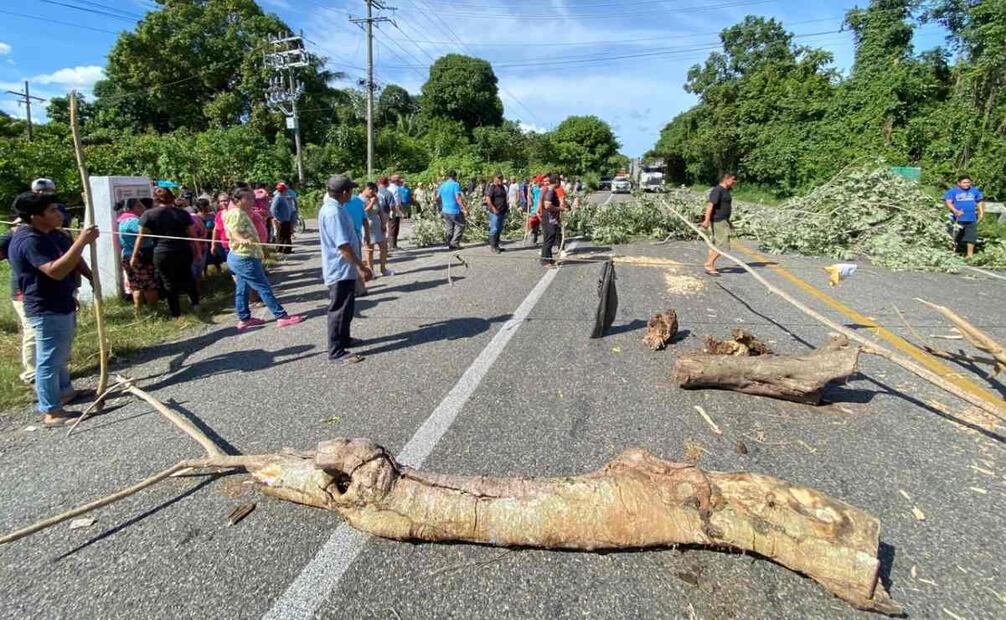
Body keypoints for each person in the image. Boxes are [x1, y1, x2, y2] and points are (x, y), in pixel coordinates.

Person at [8, 192, 99, 426]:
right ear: (35, 216)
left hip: (62, 300)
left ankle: (65, 392)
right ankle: (51, 411)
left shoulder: (54, 234)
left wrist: (90, 277)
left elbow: (73, 259)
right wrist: (82, 241)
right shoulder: (29, 240)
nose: (59, 214)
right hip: (44, 306)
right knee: (48, 359)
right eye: (51, 211)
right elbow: (55, 270)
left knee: (60, 352)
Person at [223, 186, 304, 330]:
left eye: (251, 197)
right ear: (238, 200)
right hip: (244, 258)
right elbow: (232, 232)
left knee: (243, 289)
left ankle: (244, 319)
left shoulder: (240, 212)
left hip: (241, 256)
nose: (251, 200)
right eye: (248, 198)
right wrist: (241, 239)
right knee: (263, 287)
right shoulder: (236, 213)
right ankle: (281, 316)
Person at [319, 175, 373, 364]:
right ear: (344, 193)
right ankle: (335, 351)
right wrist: (362, 267)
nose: (352, 192)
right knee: (339, 309)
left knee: (347, 307)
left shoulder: (336, 208)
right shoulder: (333, 212)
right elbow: (343, 246)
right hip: (340, 269)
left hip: (345, 269)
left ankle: (344, 338)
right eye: (350, 189)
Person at [132, 187, 199, 317]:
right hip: (183, 250)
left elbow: (140, 236)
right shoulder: (182, 214)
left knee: (168, 283)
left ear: (155, 199)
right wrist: (198, 252)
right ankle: (195, 304)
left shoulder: (148, 215)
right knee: (188, 277)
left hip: (162, 252)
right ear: (172, 197)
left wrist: (134, 256)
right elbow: (193, 235)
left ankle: (176, 313)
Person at [1, 218, 35, 384]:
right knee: (32, 330)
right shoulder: (10, 236)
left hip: (40, 291)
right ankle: (31, 371)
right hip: (22, 292)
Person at [117, 197, 158, 310]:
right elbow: (146, 232)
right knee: (149, 285)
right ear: (136, 207)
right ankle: (153, 311)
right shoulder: (133, 221)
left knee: (136, 285)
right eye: (140, 205)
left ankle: (138, 310)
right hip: (140, 256)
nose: (144, 208)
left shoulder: (122, 220)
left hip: (127, 255)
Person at [701, 173, 736, 276]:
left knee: (715, 244)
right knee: (723, 245)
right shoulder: (718, 190)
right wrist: (706, 220)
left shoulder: (725, 190)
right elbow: (710, 206)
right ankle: (708, 264)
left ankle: (711, 265)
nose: (735, 182)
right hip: (718, 221)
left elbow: (724, 207)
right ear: (726, 179)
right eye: (733, 180)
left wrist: (729, 222)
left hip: (723, 220)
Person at [945, 175, 986, 259]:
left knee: (971, 236)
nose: (967, 184)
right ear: (958, 183)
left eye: (968, 182)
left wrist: (981, 213)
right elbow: (948, 202)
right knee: (953, 236)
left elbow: (979, 201)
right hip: (956, 218)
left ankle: (969, 255)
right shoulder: (952, 192)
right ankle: (950, 253)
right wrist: (955, 211)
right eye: (964, 182)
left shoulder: (974, 191)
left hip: (971, 218)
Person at [359, 181, 394, 278]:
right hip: (367, 225)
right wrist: (371, 202)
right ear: (366, 189)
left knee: (384, 247)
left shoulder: (375, 198)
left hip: (377, 224)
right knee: (369, 250)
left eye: (374, 191)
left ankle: (383, 269)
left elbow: (380, 212)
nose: (372, 193)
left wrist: (383, 223)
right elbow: (363, 212)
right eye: (371, 191)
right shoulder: (360, 199)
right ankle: (371, 271)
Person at [540, 175, 566, 267]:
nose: (560, 183)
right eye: (559, 181)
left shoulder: (550, 190)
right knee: (549, 239)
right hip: (548, 219)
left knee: (550, 239)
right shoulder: (550, 191)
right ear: (556, 181)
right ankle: (545, 261)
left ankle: (549, 259)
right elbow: (547, 205)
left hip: (551, 219)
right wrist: (559, 209)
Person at [437, 171, 468, 250]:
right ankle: (454, 243)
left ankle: (449, 243)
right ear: (455, 176)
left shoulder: (442, 185)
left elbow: (437, 197)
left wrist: (441, 206)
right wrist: (465, 208)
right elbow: (458, 198)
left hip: (445, 210)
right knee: (461, 225)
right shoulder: (455, 184)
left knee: (449, 227)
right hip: (454, 210)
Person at [484, 172, 509, 253]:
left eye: (501, 178)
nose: (501, 180)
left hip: (502, 211)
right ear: (495, 179)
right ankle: (493, 247)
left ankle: (497, 246)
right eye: (499, 178)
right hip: (495, 212)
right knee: (494, 229)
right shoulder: (492, 187)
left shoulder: (502, 187)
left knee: (499, 229)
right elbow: (488, 199)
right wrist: (494, 208)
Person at [271, 182, 295, 254]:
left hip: (287, 219)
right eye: (285, 189)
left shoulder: (283, 197)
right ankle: (279, 250)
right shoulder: (277, 198)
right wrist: (276, 218)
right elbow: (272, 209)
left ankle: (287, 250)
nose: (287, 190)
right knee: (280, 235)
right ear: (283, 190)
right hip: (281, 220)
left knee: (287, 235)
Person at [210, 191, 232, 267]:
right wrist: (213, 244)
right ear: (218, 203)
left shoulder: (236, 212)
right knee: (231, 267)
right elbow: (216, 230)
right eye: (221, 201)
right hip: (226, 246)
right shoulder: (219, 214)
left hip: (237, 245)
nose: (224, 203)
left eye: (225, 200)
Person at [387, 174, 406, 250]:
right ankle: (393, 245)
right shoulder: (396, 189)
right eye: (399, 180)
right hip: (395, 210)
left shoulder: (388, 188)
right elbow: (397, 202)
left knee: (390, 227)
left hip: (387, 210)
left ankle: (392, 244)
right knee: (394, 227)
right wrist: (402, 212)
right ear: (396, 181)